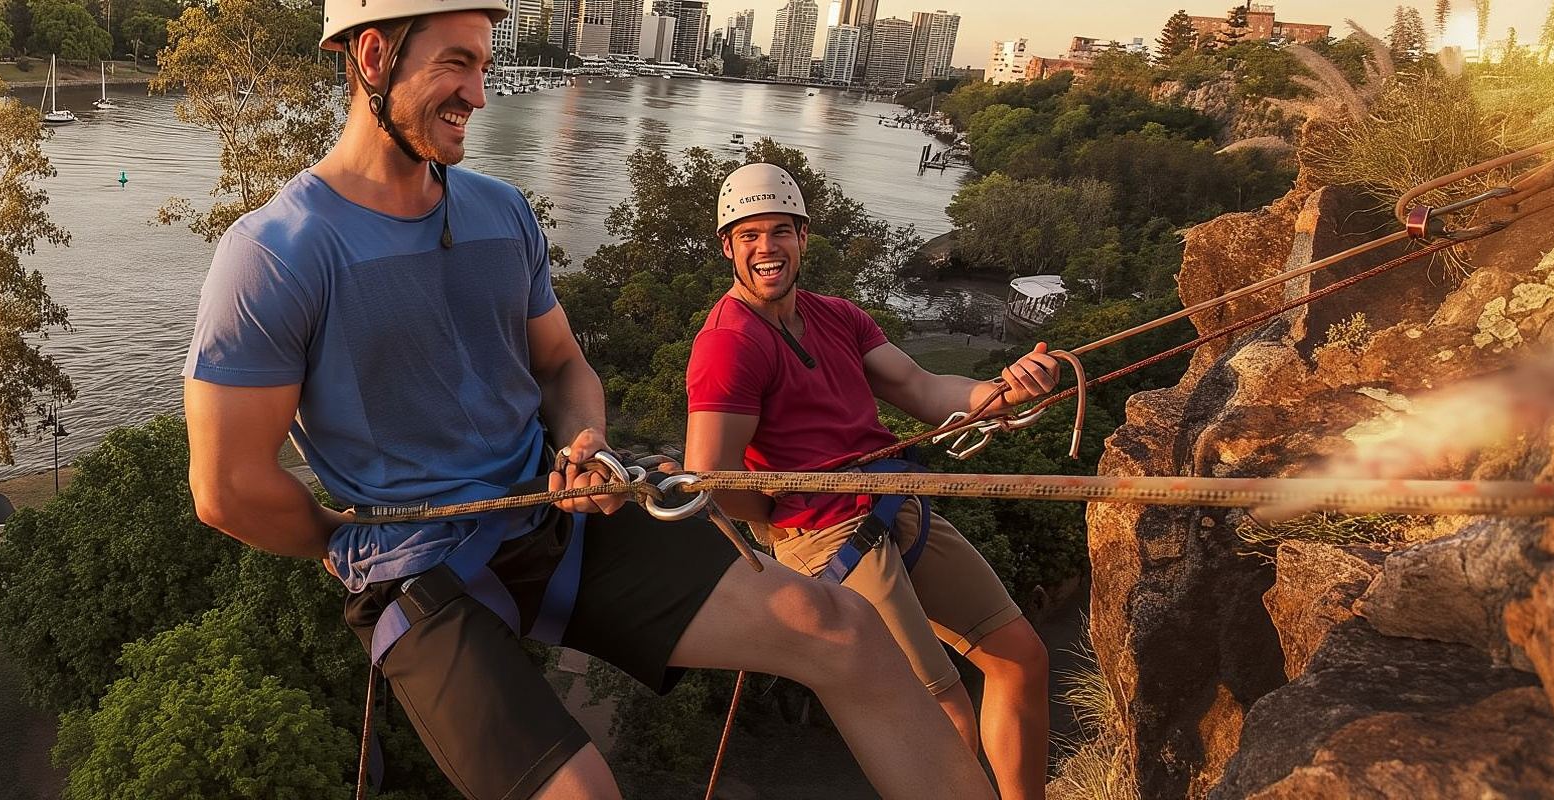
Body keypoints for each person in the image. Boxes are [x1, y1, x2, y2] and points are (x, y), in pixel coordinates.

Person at [180, 1, 995, 797]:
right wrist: (338, 543)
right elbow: (227, 489)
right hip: (415, 566)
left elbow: (564, 367)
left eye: (484, 66)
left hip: (555, 512)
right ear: (371, 60)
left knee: (844, 631)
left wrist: (586, 444)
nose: (480, 94)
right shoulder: (275, 253)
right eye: (455, 64)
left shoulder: (500, 212)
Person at [684, 163, 1058, 800]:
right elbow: (712, 481)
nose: (765, 249)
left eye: (780, 232)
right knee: (942, 717)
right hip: (827, 536)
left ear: (804, 237)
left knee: (1020, 656)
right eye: (748, 236)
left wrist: (1003, 392)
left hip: (892, 504)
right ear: (728, 247)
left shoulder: (840, 318)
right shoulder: (729, 345)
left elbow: (921, 389)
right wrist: (782, 510)